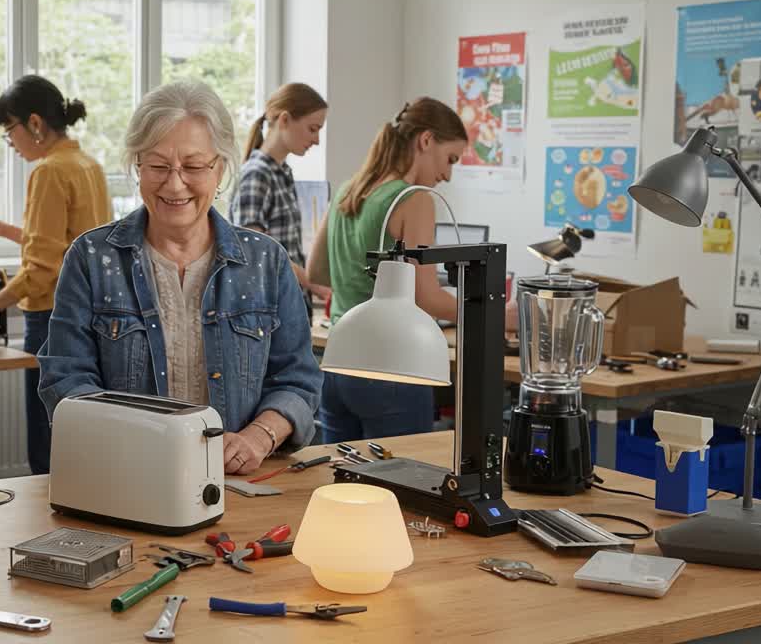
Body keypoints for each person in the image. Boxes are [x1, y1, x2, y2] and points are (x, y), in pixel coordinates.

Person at [39, 80, 322, 475]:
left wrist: (259, 436)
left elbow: (299, 380)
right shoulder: (91, 258)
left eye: (192, 166)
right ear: (137, 166)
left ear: (220, 167)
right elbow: (66, 379)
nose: (174, 184)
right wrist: (146, 442)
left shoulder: (265, 261)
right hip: (126, 479)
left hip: (237, 484)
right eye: (157, 166)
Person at [308, 97, 516, 444]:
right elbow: (428, 298)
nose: (447, 175)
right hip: (390, 369)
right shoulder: (414, 199)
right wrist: (497, 313)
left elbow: (318, 272)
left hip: (338, 364)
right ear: (425, 140)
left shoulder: (349, 189)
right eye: (450, 159)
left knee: (344, 481)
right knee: (398, 486)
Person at [0, 75, 110, 475]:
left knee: (46, 446)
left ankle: (45, 533)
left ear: (35, 124)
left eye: (10, 130)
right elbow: (67, 246)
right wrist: (2, 230)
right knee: (80, 438)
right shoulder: (88, 166)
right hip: (91, 319)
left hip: (51, 321)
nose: (11, 142)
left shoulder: (48, 172)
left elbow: (42, 271)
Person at [229, 82, 329, 300]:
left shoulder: (282, 173)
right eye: (313, 129)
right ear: (284, 120)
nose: (317, 140)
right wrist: (312, 283)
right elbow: (255, 251)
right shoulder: (258, 174)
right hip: (268, 306)